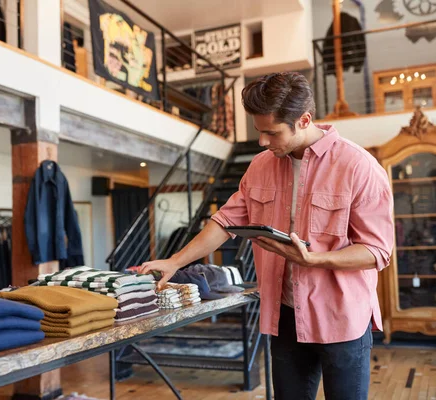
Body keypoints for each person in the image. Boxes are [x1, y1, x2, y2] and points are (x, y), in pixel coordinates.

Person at [141, 72, 394, 400]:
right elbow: (224, 222)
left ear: (303, 120)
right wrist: (175, 262)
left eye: (271, 133)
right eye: (259, 132)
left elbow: (377, 252)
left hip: (343, 318)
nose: (262, 142)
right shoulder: (260, 167)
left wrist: (314, 259)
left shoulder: (359, 167)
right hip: (286, 315)